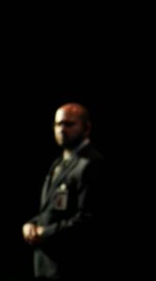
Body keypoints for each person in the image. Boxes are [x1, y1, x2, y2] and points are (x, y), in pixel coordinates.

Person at [22, 103, 106, 279]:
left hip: (71, 267)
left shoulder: (91, 165)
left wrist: (44, 232)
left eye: (69, 124)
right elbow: (50, 209)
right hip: (47, 265)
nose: (62, 129)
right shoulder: (59, 163)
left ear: (86, 128)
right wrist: (32, 224)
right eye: (58, 124)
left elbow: (88, 220)